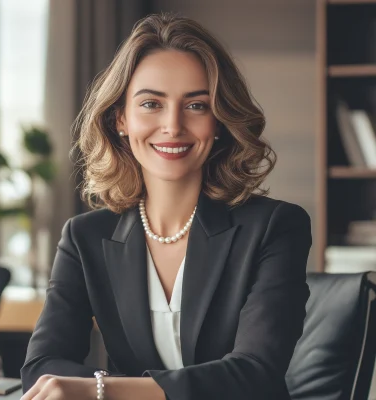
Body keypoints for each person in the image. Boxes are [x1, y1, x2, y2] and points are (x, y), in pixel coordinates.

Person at [20, 12, 312, 400]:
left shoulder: (276, 226)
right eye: (151, 104)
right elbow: (42, 367)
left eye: (196, 106)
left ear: (220, 121)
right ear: (120, 118)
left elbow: (255, 374)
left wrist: (100, 391)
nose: (172, 126)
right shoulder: (85, 236)